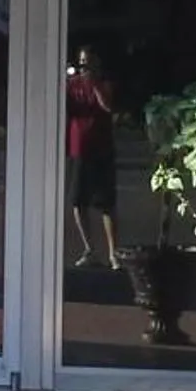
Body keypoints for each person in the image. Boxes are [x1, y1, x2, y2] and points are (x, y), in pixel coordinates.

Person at [64, 46, 120, 269]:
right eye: (81, 63)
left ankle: (113, 253)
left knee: (106, 203)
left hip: (102, 150)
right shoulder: (72, 86)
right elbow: (67, 109)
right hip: (78, 150)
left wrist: (94, 83)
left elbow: (108, 107)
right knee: (78, 201)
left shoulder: (104, 84)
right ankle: (90, 249)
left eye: (88, 63)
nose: (83, 67)